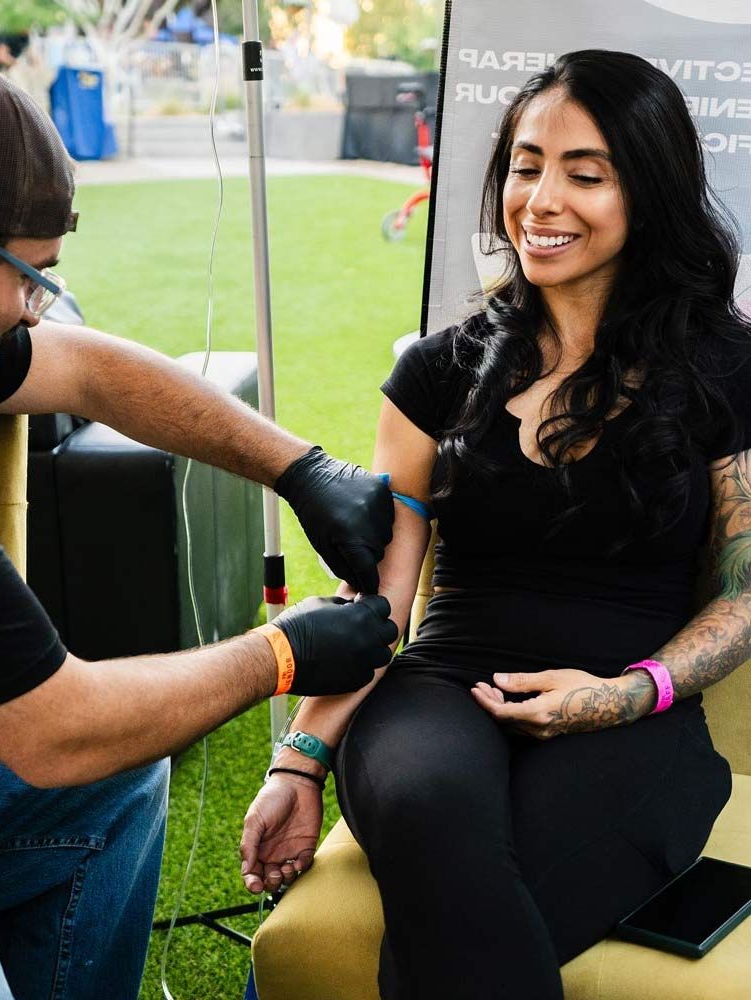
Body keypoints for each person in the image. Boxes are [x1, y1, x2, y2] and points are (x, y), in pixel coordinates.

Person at [0, 53, 399, 1000]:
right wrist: (283, 653)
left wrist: (300, 467)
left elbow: (86, 369)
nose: (33, 309)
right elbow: (57, 732)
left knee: (115, 787)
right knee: (87, 762)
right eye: (31, 276)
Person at [240, 48, 751, 999]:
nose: (541, 199)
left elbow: (745, 590)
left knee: (461, 915)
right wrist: (300, 762)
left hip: (633, 712)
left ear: (652, 188)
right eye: (525, 165)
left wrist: (625, 694)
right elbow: (380, 598)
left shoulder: (727, 368)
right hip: (437, 692)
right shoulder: (434, 372)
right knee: (432, 812)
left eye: (584, 174)